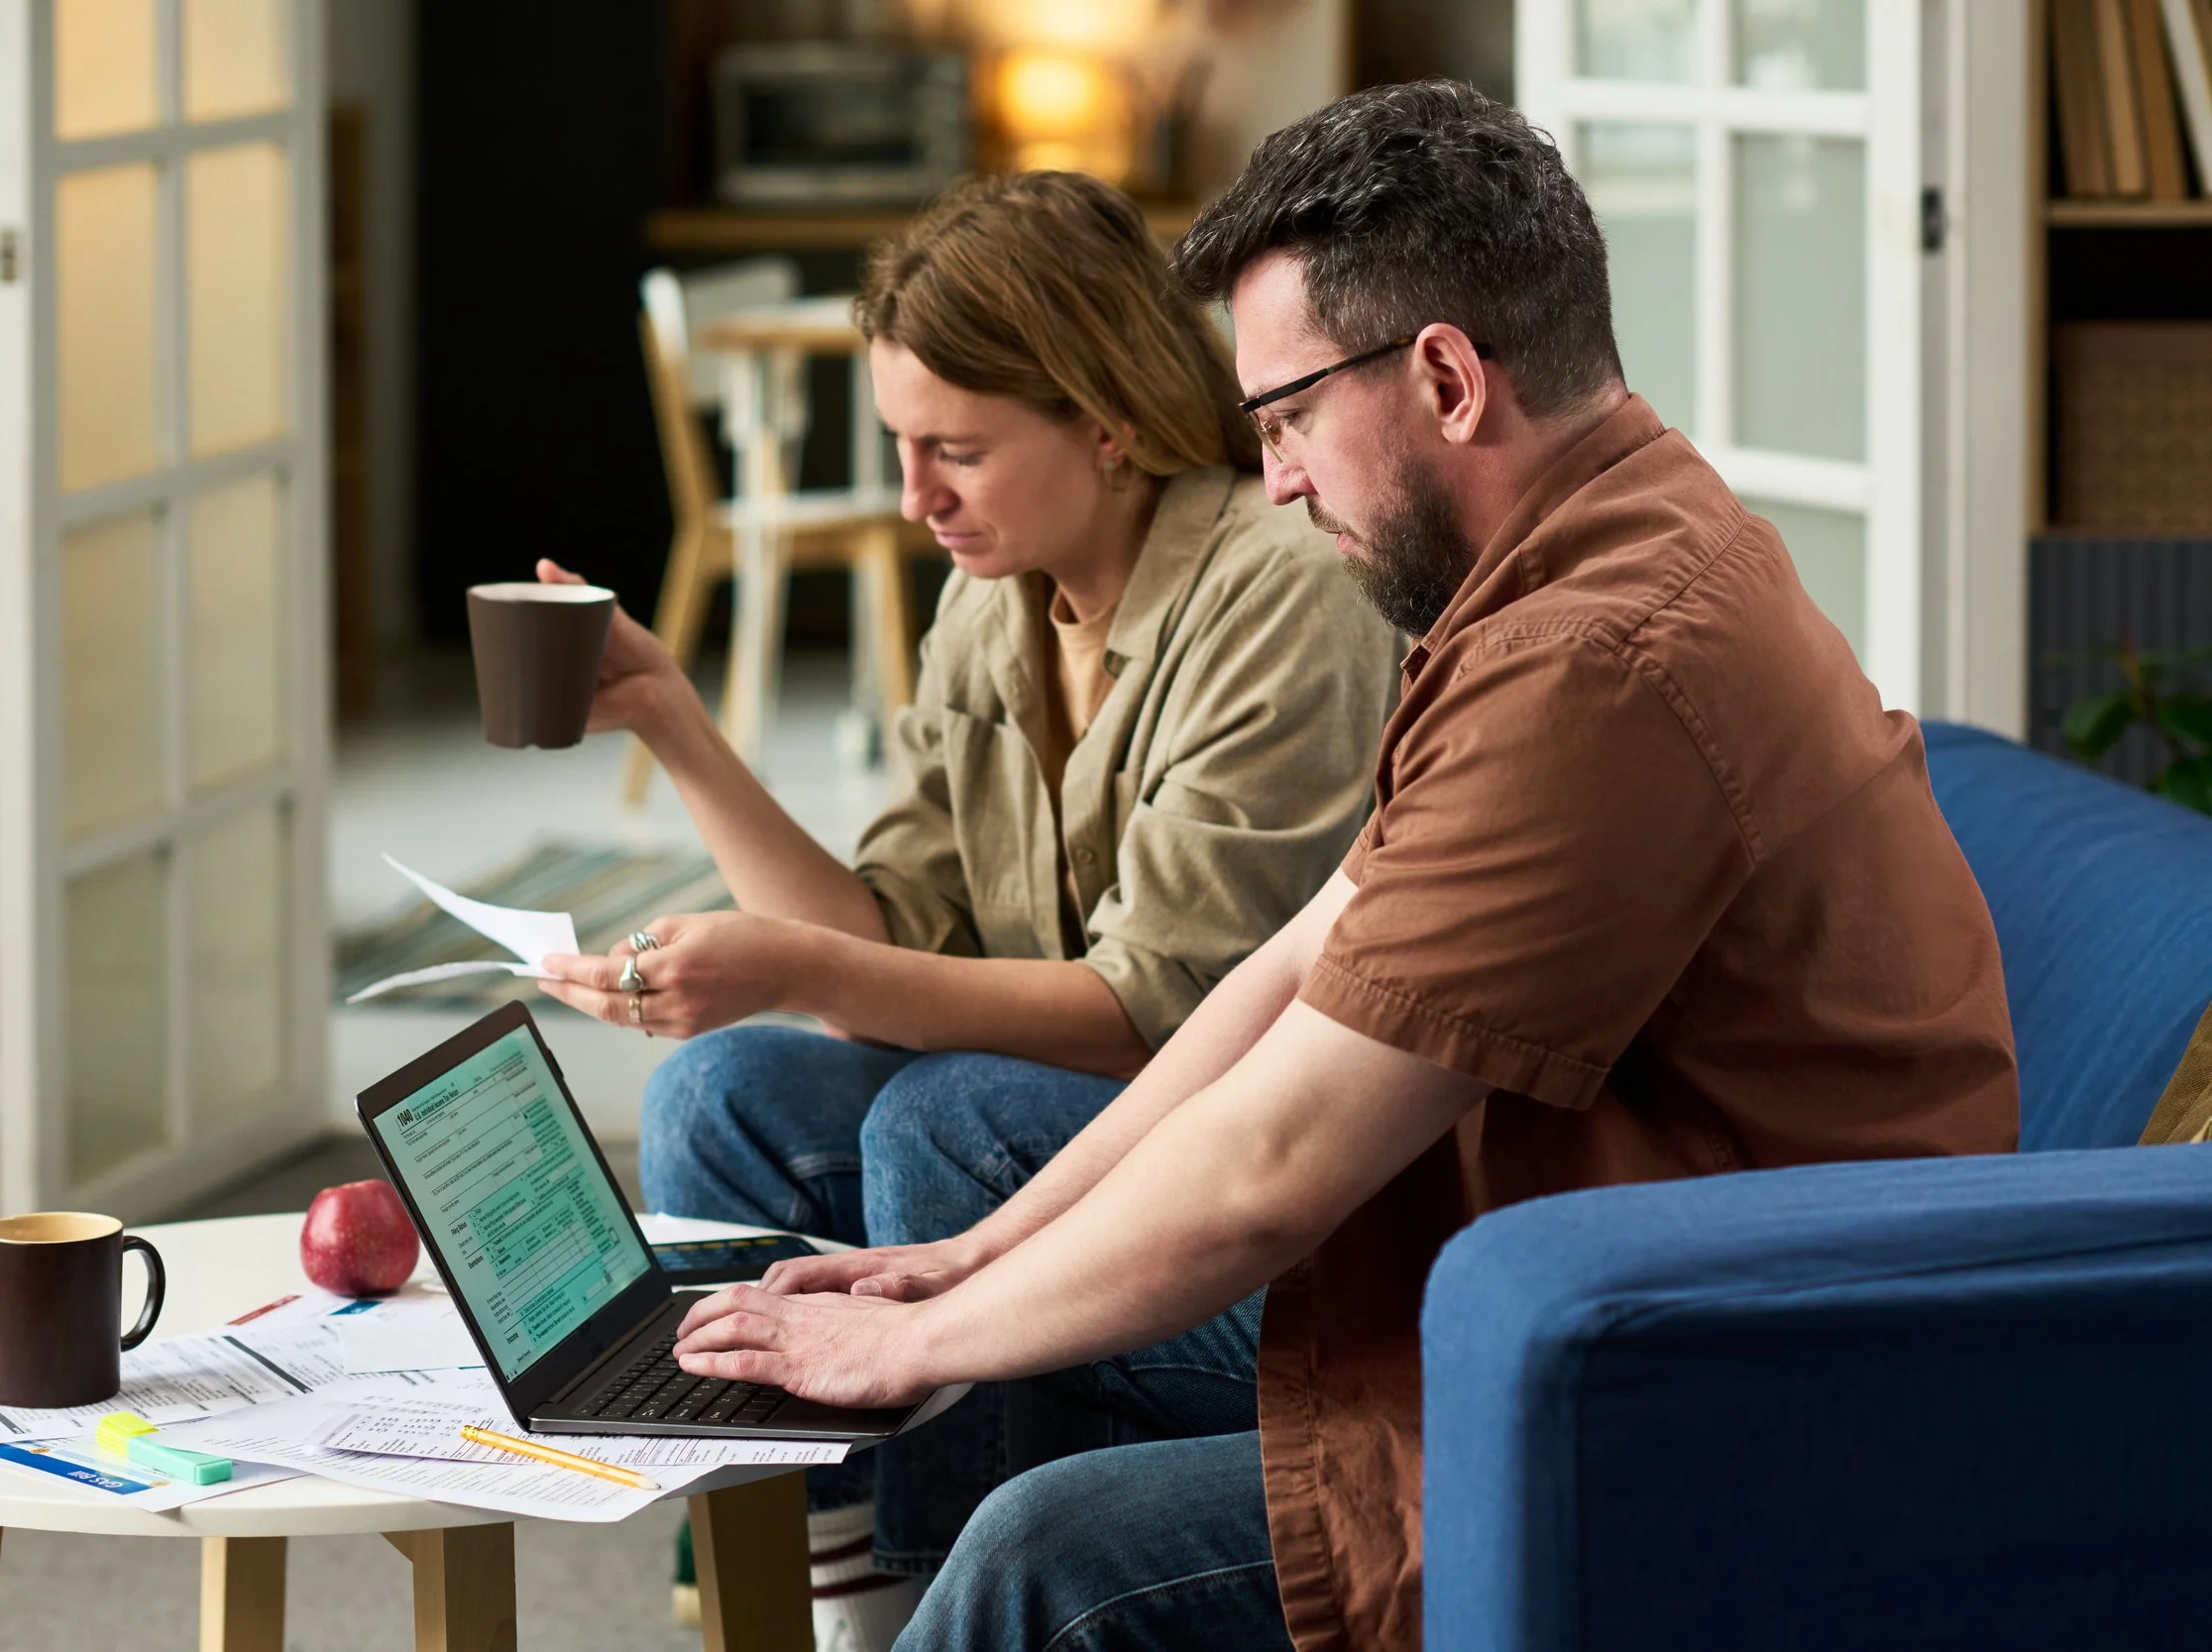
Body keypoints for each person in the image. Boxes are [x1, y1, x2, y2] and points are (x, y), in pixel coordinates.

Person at [666, 80, 2021, 1652]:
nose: (1281, 477)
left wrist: (922, 1343)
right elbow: (1299, 957)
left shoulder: (1596, 662)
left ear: (1445, 377)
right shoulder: (1584, 554)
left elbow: (1274, 1166)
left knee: (1047, 1557)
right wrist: (964, 1264)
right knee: (959, 1197)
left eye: (1289, 417)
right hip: (1579, 1267)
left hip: (1701, 1375)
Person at [531, 168, 1395, 1642]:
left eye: (959, 452)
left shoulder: (1280, 588)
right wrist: (675, 723)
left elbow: (1152, 1018)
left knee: (943, 1118)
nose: (914, 498)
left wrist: (797, 965)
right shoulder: (991, 600)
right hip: (1058, 1111)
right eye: (900, 446)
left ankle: (953, 1601)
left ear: (1105, 419)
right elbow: (882, 942)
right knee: (724, 1090)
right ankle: (798, 1598)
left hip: (1236, 1151)